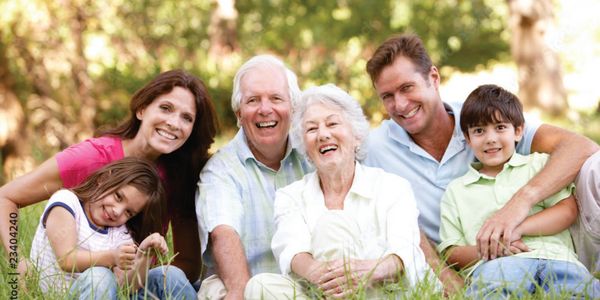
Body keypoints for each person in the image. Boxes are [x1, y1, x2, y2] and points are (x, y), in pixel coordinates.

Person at [363, 34, 600, 291]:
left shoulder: (483, 117)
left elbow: (580, 147)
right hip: (481, 266)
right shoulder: (374, 148)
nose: (399, 104)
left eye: (407, 88)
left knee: (596, 167)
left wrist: (519, 204)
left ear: (433, 78)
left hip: (553, 248)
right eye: (387, 96)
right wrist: (445, 277)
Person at [0, 69, 217, 298]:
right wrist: (18, 261)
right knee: (98, 278)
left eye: (187, 118)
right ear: (142, 109)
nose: (174, 123)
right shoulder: (91, 158)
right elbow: (6, 197)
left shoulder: (180, 175)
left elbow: (186, 264)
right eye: (166, 108)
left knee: (173, 278)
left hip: (130, 285)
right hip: (84, 285)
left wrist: (138, 267)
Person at [244, 84, 440, 299]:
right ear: (305, 148)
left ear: (356, 136)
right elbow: (292, 250)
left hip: (382, 292)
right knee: (260, 286)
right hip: (321, 292)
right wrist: (325, 275)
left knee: (332, 226)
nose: (323, 134)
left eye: (332, 123)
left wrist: (366, 271)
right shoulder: (291, 196)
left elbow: (404, 252)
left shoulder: (392, 187)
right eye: (311, 129)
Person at [438, 84, 600, 298]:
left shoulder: (539, 166)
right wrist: (492, 248)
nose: (490, 138)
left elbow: (567, 211)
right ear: (467, 139)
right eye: (479, 131)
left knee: (583, 292)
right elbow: (452, 252)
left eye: (500, 127)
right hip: (497, 265)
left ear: (518, 131)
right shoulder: (457, 190)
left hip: (557, 259)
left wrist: (518, 229)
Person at [195, 55, 311, 299]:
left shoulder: (312, 155)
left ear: (293, 107)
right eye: (253, 100)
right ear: (239, 113)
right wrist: (241, 291)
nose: (265, 109)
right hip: (240, 283)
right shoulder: (221, 169)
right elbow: (223, 232)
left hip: (305, 285)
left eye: (276, 98)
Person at [30, 157, 169, 299]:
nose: (117, 211)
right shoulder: (67, 203)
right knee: (99, 277)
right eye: (118, 197)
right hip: (56, 295)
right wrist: (112, 257)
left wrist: (144, 254)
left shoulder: (120, 233)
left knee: (169, 276)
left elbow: (125, 288)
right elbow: (66, 259)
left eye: (128, 212)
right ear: (103, 179)